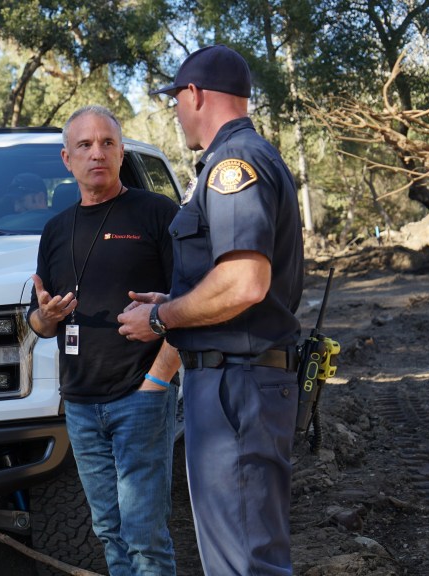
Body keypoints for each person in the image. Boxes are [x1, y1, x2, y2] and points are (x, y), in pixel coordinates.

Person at [117, 44, 304, 576]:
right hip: (239, 382)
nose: (176, 111)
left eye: (176, 99)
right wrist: (174, 302)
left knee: (242, 561)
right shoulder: (247, 156)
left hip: (234, 388)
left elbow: (244, 282)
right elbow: (231, 281)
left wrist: (161, 319)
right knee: (245, 553)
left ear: (194, 94)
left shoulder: (233, 165)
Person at [28, 105, 181, 575]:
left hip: (140, 396)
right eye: (85, 145)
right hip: (80, 403)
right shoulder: (56, 230)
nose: (97, 153)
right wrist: (45, 317)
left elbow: (191, 305)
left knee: (144, 536)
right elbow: (37, 324)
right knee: (109, 530)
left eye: (107, 143)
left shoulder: (158, 213)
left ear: (121, 153)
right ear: (67, 159)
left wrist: (158, 381)